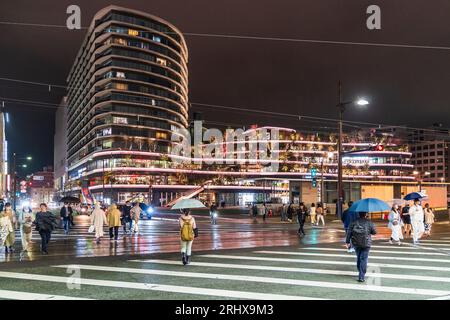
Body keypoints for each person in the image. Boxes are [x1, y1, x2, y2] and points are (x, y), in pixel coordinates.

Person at [346, 212, 377, 282]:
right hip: (366, 243)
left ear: (358, 214)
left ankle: (360, 271)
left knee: (359, 257)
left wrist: (347, 242)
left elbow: (349, 232)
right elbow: (374, 232)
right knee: (364, 258)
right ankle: (361, 275)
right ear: (365, 214)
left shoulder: (353, 222)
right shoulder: (369, 222)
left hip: (356, 243)